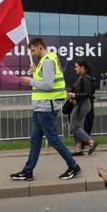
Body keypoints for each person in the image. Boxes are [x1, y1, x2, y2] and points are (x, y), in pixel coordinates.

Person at [11, 38, 81, 181]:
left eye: (33, 50)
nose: (32, 52)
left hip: (46, 107)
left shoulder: (48, 60)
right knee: (35, 140)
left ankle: (73, 166)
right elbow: (45, 80)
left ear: (40, 47)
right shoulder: (47, 59)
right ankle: (28, 171)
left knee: (53, 139)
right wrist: (36, 72)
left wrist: (29, 80)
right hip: (41, 107)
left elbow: (48, 85)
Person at [67, 59, 98, 157]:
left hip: (83, 105)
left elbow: (87, 93)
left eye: (76, 67)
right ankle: (78, 149)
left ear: (82, 68)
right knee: (76, 126)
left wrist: (74, 95)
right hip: (79, 104)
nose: (75, 69)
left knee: (74, 126)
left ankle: (91, 142)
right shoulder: (80, 78)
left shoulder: (85, 78)